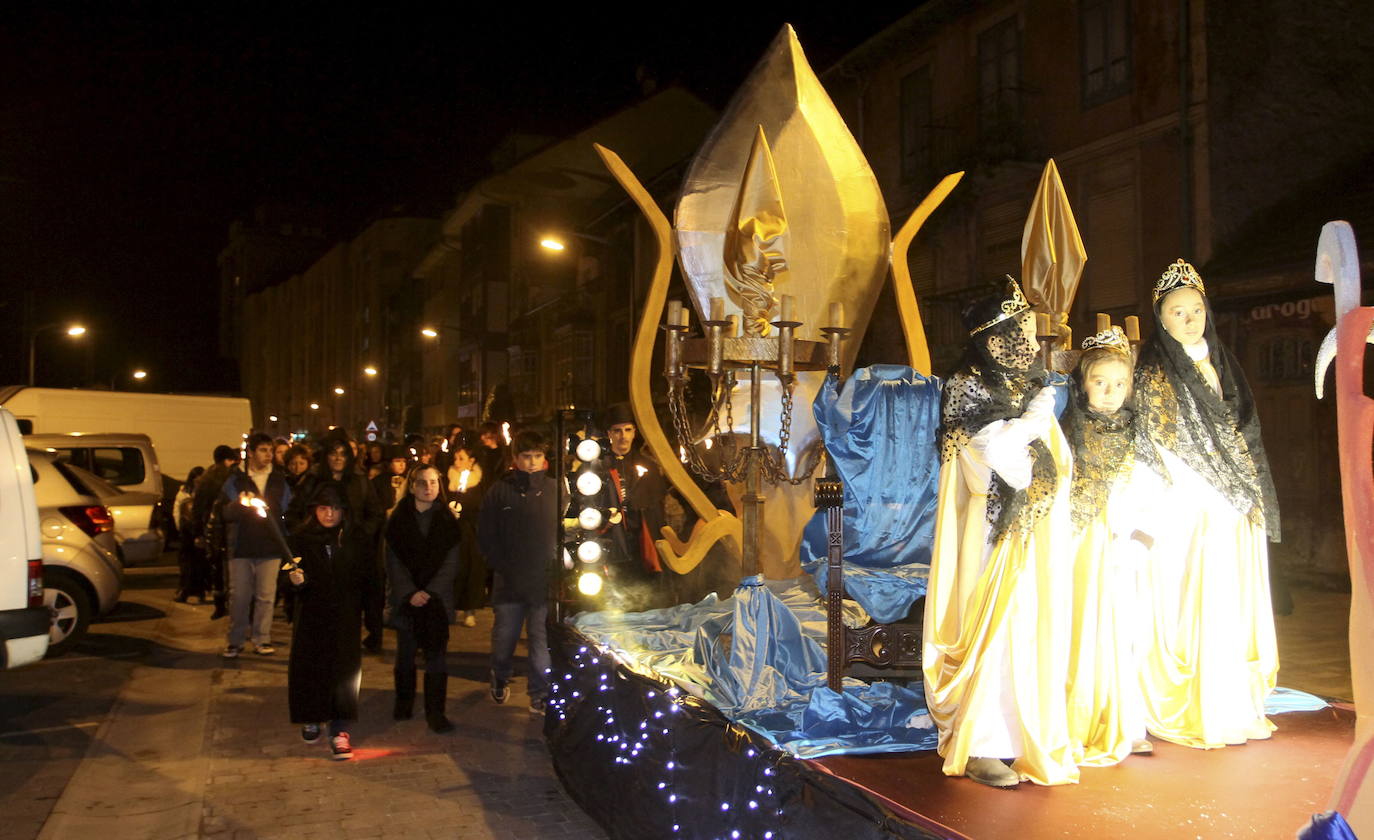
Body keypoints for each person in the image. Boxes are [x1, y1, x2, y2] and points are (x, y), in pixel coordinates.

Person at [922, 277, 1078, 788]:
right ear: (995, 337)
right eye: (1022, 332)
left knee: (1032, 630)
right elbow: (1003, 464)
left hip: (1035, 535)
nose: (1032, 344)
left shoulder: (1027, 384)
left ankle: (1024, 734)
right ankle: (984, 741)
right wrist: (1038, 415)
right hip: (992, 539)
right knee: (999, 631)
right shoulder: (969, 387)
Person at [1133, 259, 1280, 749]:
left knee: (1229, 598)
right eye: (1178, 311)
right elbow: (1158, 439)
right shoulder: (1155, 368)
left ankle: (1230, 700)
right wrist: (1200, 490)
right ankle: (1191, 702)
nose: (1190, 318)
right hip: (1189, 500)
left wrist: (1241, 489)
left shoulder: (1221, 361)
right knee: (1191, 595)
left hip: (1230, 499)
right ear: (1161, 318)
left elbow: (1243, 429)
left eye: (1196, 308)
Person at [1060, 326, 1158, 765]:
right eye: (1099, 382)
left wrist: (1140, 536)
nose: (1109, 392)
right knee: (1079, 629)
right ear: (1082, 383)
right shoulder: (1068, 430)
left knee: (1123, 632)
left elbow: (1154, 489)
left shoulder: (1140, 432)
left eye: (1119, 383)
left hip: (1121, 543)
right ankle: (1071, 721)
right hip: (1079, 543)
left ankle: (1122, 719)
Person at [478, 429, 556, 714]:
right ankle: (499, 674)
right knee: (504, 641)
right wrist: (500, 565)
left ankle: (540, 694)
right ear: (516, 459)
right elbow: (485, 534)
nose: (532, 462)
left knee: (540, 647)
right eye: (526, 457)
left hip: (542, 584)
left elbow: (564, 532)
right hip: (509, 584)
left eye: (537, 456)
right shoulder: (500, 491)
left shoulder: (555, 490)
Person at [285, 484, 365, 760]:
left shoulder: (353, 537)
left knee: (344, 671)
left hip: (345, 613)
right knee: (311, 666)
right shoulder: (300, 538)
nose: (329, 514)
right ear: (314, 511)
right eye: (323, 508)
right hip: (312, 612)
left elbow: (367, 576)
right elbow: (287, 570)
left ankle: (340, 728)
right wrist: (294, 580)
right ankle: (312, 716)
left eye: (335, 508)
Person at [289, 438, 387, 653]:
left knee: (356, 600)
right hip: (317, 548)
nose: (338, 459)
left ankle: (367, 637)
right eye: (334, 453)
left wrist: (361, 533)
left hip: (352, 547)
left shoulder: (359, 480)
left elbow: (375, 513)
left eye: (343, 454)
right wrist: (307, 534)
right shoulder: (312, 480)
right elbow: (295, 512)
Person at [385, 464, 461, 733]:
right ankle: (403, 703)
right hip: (407, 599)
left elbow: (452, 561)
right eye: (422, 483)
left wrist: (430, 592)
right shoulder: (398, 519)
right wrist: (409, 592)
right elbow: (393, 560)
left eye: (433, 482)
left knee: (436, 656)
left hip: (436, 600)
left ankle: (435, 711)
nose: (428, 488)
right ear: (412, 485)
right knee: (405, 654)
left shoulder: (447, 520)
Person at [220, 432, 292, 657]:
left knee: (266, 596)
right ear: (250, 453)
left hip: (270, 545)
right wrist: (240, 505)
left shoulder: (279, 480)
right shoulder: (236, 479)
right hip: (241, 545)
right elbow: (224, 511)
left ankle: (262, 638)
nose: (268, 455)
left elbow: (287, 510)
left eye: (270, 450)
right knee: (240, 596)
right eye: (263, 450)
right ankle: (236, 639)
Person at [597, 403, 667, 603]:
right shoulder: (600, 466)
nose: (623, 436)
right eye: (617, 431)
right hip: (612, 542)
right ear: (609, 433)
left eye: (628, 430)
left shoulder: (648, 465)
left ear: (635, 432)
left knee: (645, 596)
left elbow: (657, 505)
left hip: (641, 541)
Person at [192, 444, 242, 620]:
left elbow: (197, 507)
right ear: (229, 459)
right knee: (235, 566)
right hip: (231, 526)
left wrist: (198, 532)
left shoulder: (206, 478)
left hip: (212, 528)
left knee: (216, 566)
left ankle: (219, 604)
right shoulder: (234, 477)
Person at [448, 445, 487, 626]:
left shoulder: (478, 482)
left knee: (471, 570)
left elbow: (480, 508)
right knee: (453, 570)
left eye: (461, 458)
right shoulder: (448, 479)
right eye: (455, 459)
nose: (457, 463)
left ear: (471, 461)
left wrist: (465, 505)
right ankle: (451, 607)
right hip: (453, 534)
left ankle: (469, 610)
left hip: (471, 533)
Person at [173, 466, 206, 603]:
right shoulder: (184, 492)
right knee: (187, 563)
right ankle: (185, 590)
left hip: (197, 532)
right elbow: (176, 511)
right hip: (187, 532)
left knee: (198, 563)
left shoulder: (204, 493)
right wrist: (180, 527)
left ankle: (197, 591)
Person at [370, 444, 411, 513]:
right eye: (397, 461)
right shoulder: (378, 481)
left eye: (404, 461)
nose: (402, 464)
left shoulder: (409, 480)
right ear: (389, 463)